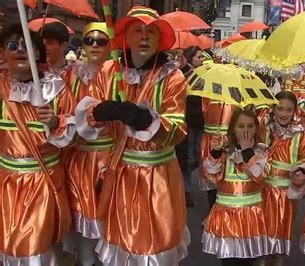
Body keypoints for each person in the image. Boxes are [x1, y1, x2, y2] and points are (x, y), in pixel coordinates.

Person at [74, 6, 189, 265]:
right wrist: (102, 110)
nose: (145, 37)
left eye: (151, 31)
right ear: (126, 36)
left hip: (157, 177)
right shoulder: (108, 72)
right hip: (122, 175)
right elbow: (90, 116)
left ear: (160, 39)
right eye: (137, 30)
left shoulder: (172, 77)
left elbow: (178, 131)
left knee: (155, 247)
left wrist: (144, 119)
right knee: (122, 243)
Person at [0, 24, 75, 264]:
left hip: (43, 181)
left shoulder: (56, 89)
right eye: (13, 45)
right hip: (5, 183)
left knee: (36, 248)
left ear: (38, 53)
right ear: (3, 52)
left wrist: (55, 122)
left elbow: (74, 134)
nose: (20, 50)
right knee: (8, 243)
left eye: (28, 46)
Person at [62, 22, 111, 266]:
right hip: (78, 159)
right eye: (89, 40)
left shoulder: (118, 74)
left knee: (108, 221)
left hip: (109, 159)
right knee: (80, 220)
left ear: (110, 46)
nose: (94, 45)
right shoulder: (70, 74)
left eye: (100, 41)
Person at [202, 108, 270, 266]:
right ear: (233, 128)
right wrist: (216, 151)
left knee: (248, 260)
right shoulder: (225, 152)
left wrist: (247, 151)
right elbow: (211, 173)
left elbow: (260, 175)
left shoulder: (262, 152)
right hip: (226, 216)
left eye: (250, 126)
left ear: (256, 128)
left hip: (250, 217)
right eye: (241, 126)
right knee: (229, 260)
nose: (245, 131)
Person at [261, 91, 305, 265]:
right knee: (262, 232)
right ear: (273, 108)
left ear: (295, 111)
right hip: (262, 192)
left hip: (286, 195)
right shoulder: (264, 128)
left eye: (289, 110)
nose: (284, 114)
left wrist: (302, 173)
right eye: (280, 108)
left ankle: (278, 259)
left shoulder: (300, 134)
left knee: (281, 232)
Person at [176, 45, 205, 207]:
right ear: (191, 58)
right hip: (187, 123)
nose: (202, 60)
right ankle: (185, 190)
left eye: (202, 57)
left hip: (201, 123)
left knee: (196, 158)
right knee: (187, 158)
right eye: (199, 57)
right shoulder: (183, 74)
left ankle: (182, 183)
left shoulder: (206, 74)